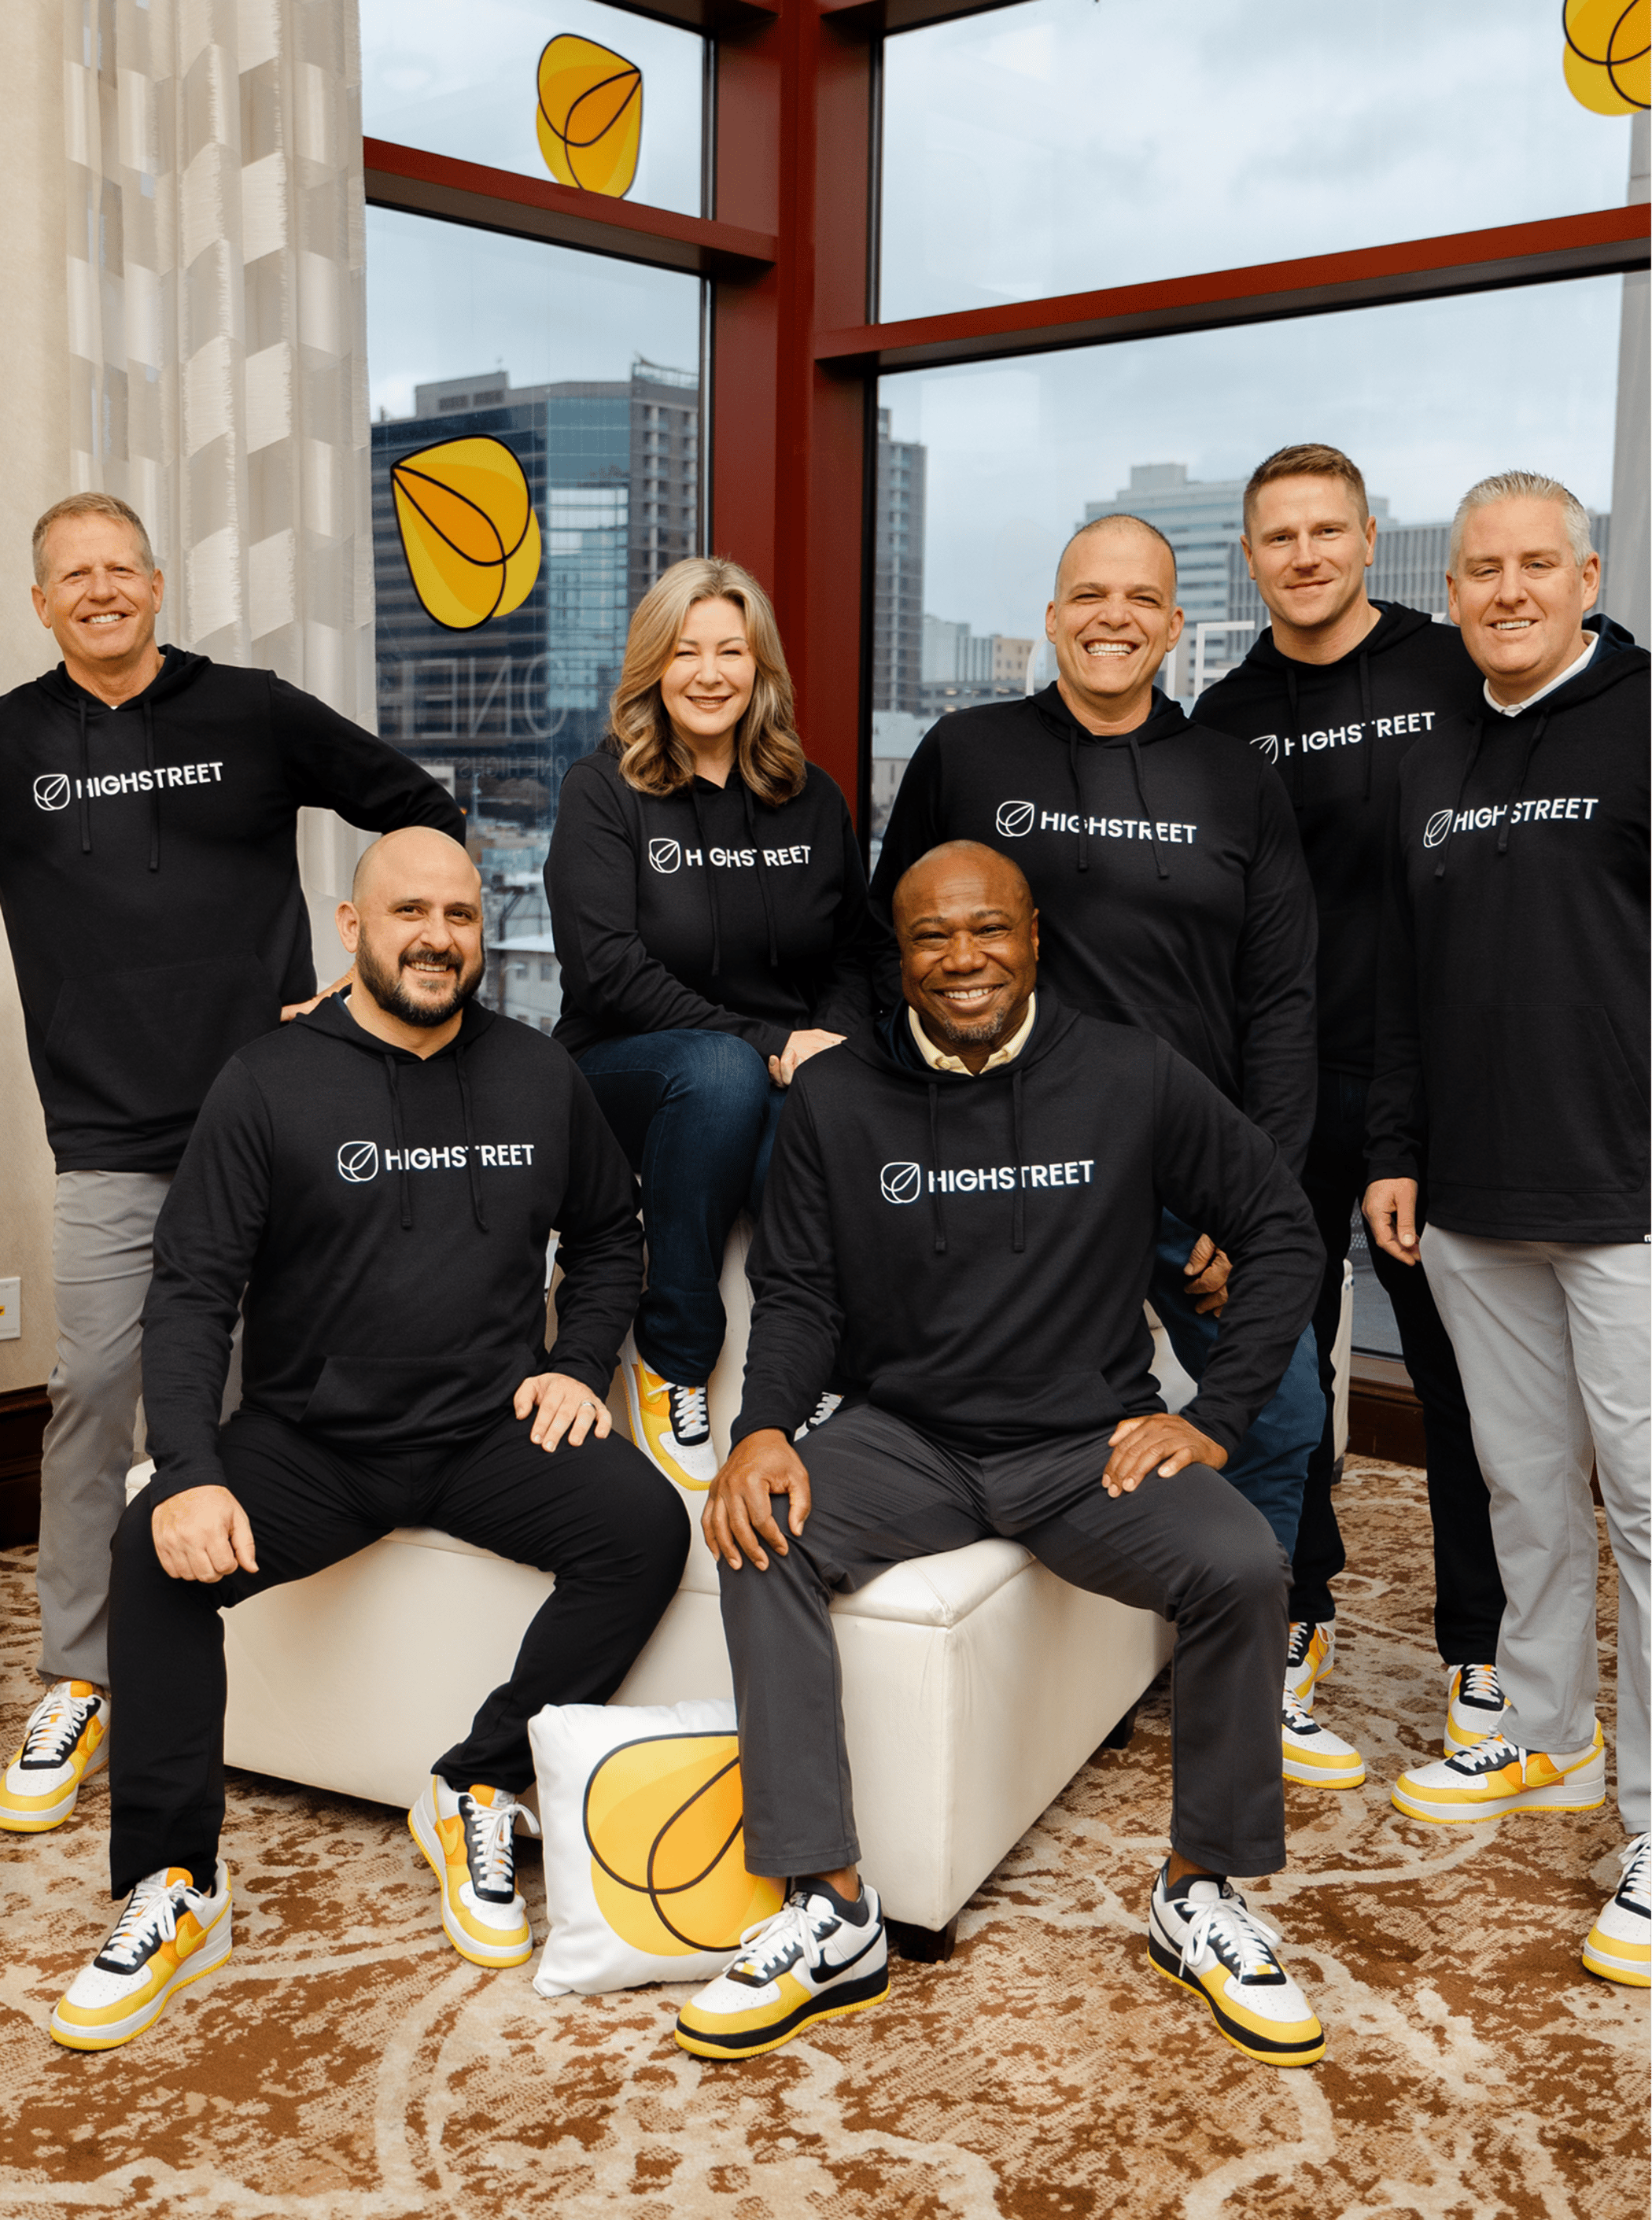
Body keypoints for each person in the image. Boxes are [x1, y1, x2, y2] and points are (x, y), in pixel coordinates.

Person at [675, 841, 1328, 2067]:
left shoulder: (1131, 1072)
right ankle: (831, 1906)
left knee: (1240, 1562)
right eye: (931, 936)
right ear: (899, 956)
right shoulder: (835, 1100)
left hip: (1087, 1444)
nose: (963, 959)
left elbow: (1281, 1228)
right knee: (760, 1531)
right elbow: (800, 1291)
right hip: (907, 1435)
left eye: (988, 932)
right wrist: (763, 1427)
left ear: (1035, 938)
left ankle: (1202, 1892)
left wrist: (1216, 1414)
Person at [47, 828, 689, 2050]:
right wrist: (186, 1466)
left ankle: (478, 1782)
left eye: (460, 913)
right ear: (353, 928)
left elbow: (612, 1236)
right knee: (150, 1552)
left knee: (644, 1523)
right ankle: (172, 1884)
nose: (438, 936)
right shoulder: (270, 1080)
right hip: (315, 1442)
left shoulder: (538, 1072)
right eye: (409, 912)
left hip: (486, 1428)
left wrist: (572, 1362)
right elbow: (190, 1288)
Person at [0, 492, 463, 1838]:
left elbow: (416, 810)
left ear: (156, 584)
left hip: (271, 1116)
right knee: (96, 1384)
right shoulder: (17, 741)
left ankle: (244, 1663)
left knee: (269, 1389)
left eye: (117, 570)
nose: (98, 591)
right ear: (43, 605)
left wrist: (351, 992)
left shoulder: (250, 712)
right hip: (107, 1132)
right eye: (69, 576)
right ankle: (81, 1673)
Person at [871, 518, 1341, 1790]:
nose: (1114, 616)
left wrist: (1261, 1198)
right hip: (1018, 1165)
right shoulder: (970, 753)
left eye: (1142, 598)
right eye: (1090, 594)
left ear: (1176, 626)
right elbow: (892, 941)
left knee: (1285, 1407)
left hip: (1193, 1171)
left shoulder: (1237, 779)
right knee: (1024, 1424)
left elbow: (1284, 1000)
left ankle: (1258, 1649)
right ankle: (1114, 1648)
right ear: (1053, 615)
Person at [1366, 473, 1649, 1990]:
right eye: (1483, 569)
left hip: (1630, 1197)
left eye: (1539, 565)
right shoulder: (1435, 751)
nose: (1509, 589)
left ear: (1588, 574)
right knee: (1525, 1486)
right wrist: (1398, 1152)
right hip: (1473, 1198)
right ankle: (1545, 1732)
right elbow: (1407, 984)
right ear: (1454, 588)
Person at [1198, 443, 1504, 1775]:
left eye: (1329, 531)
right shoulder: (1223, 716)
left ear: (1369, 538)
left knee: (1461, 1386)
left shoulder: (1451, 668)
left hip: (1434, 1084)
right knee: (1275, 1371)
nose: (1307, 555)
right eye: (1281, 536)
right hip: (1276, 1084)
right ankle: (1298, 1610)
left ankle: (1483, 1654)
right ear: (1251, 555)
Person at [548, 557, 876, 1491]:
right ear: (653, 664)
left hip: (777, 1067)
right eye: (685, 649)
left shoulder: (811, 796)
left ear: (760, 666)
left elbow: (855, 951)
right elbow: (606, 971)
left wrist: (830, 1048)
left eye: (731, 649)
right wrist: (770, 1044)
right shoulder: (604, 790)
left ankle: (809, 1376)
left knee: (821, 1115)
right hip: (628, 1064)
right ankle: (673, 1353)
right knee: (721, 1074)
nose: (709, 671)